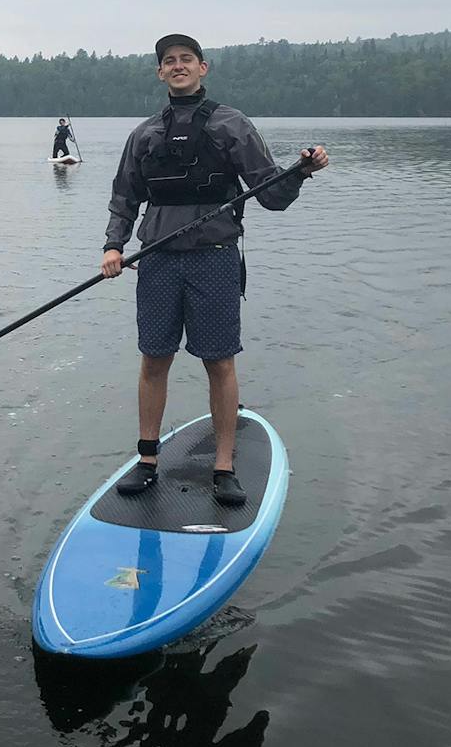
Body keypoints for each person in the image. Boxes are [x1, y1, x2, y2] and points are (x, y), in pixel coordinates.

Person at [100, 34, 329, 507]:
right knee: (154, 357)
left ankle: (224, 467)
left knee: (219, 361)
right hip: (157, 259)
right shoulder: (144, 133)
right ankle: (147, 460)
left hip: (214, 256)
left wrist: (302, 171)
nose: (177, 66)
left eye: (186, 59)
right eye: (169, 61)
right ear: (160, 73)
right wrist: (113, 246)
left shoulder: (232, 125)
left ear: (203, 68)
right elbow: (125, 196)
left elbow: (270, 193)